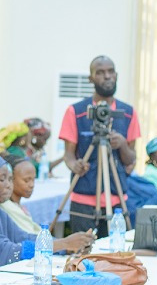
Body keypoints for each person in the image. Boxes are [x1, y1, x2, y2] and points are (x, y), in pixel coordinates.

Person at [0, 153, 92, 273]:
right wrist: (62, 244)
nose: (8, 185)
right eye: (2, 179)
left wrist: (66, 247)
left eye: (10, 179)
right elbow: (7, 251)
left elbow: (22, 237)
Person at [59, 56, 141, 237]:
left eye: (111, 71)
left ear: (116, 75)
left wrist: (122, 145)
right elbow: (68, 155)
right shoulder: (75, 111)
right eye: (100, 72)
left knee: (117, 251)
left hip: (117, 199)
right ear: (91, 78)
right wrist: (75, 165)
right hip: (83, 199)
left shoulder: (128, 113)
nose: (107, 76)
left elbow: (131, 159)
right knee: (81, 250)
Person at [0, 154, 95, 252]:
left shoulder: (18, 206)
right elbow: (29, 239)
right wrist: (65, 246)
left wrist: (68, 245)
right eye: (26, 180)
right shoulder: (7, 208)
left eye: (33, 179)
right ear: (11, 180)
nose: (31, 185)